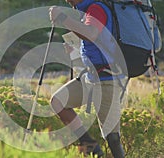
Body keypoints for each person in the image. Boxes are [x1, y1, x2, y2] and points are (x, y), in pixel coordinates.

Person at [49, 0, 125, 157]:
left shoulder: (96, 9)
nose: (67, 1)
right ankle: (94, 151)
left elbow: (90, 33)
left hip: (106, 80)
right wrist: (75, 51)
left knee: (112, 137)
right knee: (58, 101)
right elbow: (94, 44)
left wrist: (63, 18)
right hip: (90, 77)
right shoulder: (88, 11)